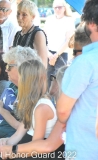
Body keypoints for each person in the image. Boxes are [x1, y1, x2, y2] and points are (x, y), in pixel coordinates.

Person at [0, 66, 68, 160]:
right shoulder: (35, 103)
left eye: (54, 77)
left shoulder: (43, 107)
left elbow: (38, 146)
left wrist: (11, 150)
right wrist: (6, 145)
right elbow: (19, 133)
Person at [57, 0, 98, 159]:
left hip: (85, 149)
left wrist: (64, 118)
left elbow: (62, 110)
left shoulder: (86, 62)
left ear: (91, 23)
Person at [45, 0, 75, 88]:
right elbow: (44, 38)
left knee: (59, 82)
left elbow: (68, 41)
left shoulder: (69, 20)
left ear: (64, 8)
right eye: (55, 7)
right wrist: (49, 54)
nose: (57, 9)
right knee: (47, 82)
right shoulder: (49, 19)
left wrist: (56, 56)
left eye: (60, 7)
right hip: (48, 54)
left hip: (61, 54)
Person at [12, 0, 48, 68]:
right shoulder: (18, 34)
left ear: (33, 17)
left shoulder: (38, 34)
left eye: (24, 14)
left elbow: (43, 65)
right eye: (18, 13)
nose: (20, 17)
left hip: (31, 77)